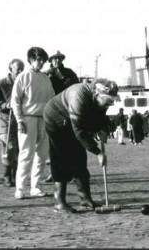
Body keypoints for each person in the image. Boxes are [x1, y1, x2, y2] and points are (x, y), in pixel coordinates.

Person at [43, 78, 118, 213]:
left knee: (79, 156)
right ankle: (59, 202)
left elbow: (99, 115)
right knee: (61, 157)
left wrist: (100, 129)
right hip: (55, 119)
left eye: (112, 101)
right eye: (108, 101)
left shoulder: (100, 100)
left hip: (72, 119)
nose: (109, 104)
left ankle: (85, 199)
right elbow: (79, 131)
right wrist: (98, 152)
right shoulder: (79, 97)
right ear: (97, 94)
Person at [10, 47, 55, 199]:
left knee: (41, 155)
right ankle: (20, 189)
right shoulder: (22, 76)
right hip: (27, 118)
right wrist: (20, 120)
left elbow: (52, 100)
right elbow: (15, 101)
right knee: (26, 155)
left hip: (44, 119)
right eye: (38, 59)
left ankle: (35, 187)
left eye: (43, 60)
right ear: (31, 59)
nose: (41, 62)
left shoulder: (45, 78)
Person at [43, 50, 80, 183]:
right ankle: (55, 173)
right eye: (54, 59)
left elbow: (75, 88)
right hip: (52, 111)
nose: (57, 61)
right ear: (51, 60)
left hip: (67, 110)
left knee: (71, 142)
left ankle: (75, 173)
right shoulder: (46, 74)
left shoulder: (69, 73)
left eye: (59, 58)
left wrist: (62, 78)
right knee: (53, 145)